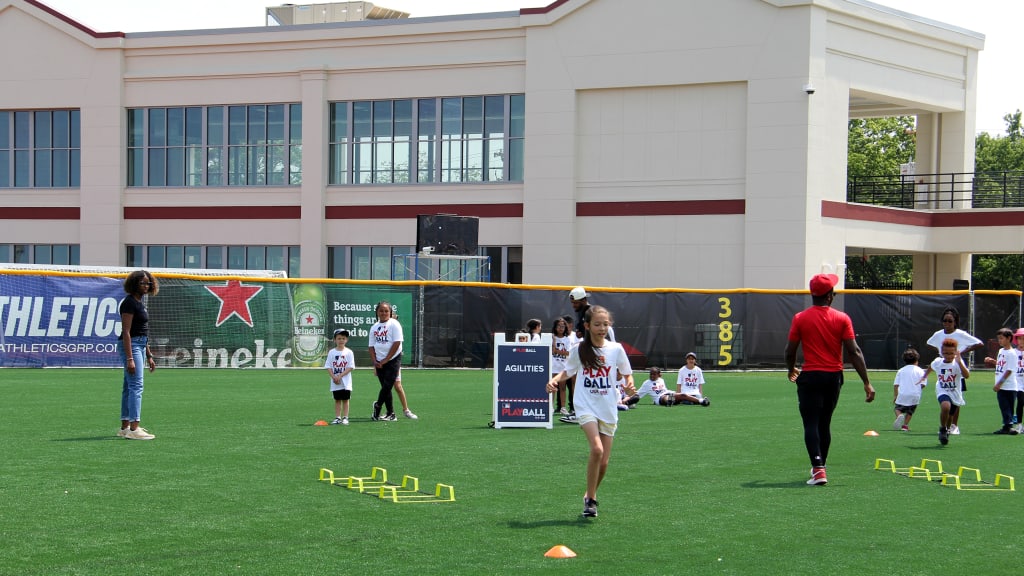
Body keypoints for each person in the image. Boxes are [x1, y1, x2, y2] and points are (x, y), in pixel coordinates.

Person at [545, 306, 635, 518]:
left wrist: (630, 384)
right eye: (597, 324)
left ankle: (589, 494)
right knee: (596, 449)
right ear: (587, 326)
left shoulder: (616, 349)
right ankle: (591, 500)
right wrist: (554, 380)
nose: (602, 328)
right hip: (585, 405)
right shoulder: (579, 349)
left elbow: (627, 374)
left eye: (605, 324)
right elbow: (568, 371)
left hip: (608, 407)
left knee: (603, 463)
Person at [784, 273, 874, 486]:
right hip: (833, 377)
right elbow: (854, 351)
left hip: (810, 376)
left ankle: (818, 469)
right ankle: (820, 468)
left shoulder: (800, 318)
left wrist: (790, 368)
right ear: (829, 296)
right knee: (824, 423)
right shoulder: (842, 318)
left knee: (811, 423)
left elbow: (790, 350)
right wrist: (866, 382)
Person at [925, 307, 984, 435]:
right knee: (946, 398)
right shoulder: (938, 334)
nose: (947, 323)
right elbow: (928, 343)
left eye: (950, 321)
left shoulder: (960, 334)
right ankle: (945, 426)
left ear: (955, 322)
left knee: (956, 399)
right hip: (944, 367)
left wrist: (962, 352)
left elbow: (979, 343)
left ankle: (954, 425)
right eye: (944, 320)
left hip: (956, 367)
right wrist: (941, 351)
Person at [116, 270, 159, 440]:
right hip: (131, 345)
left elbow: (142, 332)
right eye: (142, 283)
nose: (146, 286)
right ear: (134, 284)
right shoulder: (129, 303)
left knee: (129, 386)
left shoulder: (139, 302)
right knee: (136, 386)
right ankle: (134, 429)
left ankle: (125, 427)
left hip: (139, 344)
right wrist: (130, 358)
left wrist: (149, 355)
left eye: (148, 283)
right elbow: (126, 332)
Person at [919, 338, 970, 445]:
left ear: (956, 352)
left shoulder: (958, 363)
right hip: (942, 389)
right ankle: (942, 429)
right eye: (946, 353)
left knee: (950, 416)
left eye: (951, 353)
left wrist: (959, 362)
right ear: (941, 352)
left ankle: (946, 430)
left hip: (955, 393)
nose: (948, 356)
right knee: (945, 406)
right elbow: (931, 367)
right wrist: (924, 377)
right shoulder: (938, 362)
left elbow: (966, 375)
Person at [368, 301, 403, 422]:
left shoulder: (394, 324)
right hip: (379, 361)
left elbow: (397, 343)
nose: (384, 313)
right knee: (385, 387)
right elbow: (371, 346)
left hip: (393, 360)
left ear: (390, 312)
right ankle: (390, 413)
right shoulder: (374, 327)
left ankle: (377, 406)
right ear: (377, 312)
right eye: (381, 311)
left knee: (388, 385)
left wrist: (386, 359)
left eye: (386, 311)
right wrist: (375, 361)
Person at [984, 328, 1019, 435]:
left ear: (1009, 338)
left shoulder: (1012, 353)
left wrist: (999, 383)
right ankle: (1008, 426)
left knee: (1007, 407)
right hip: (1002, 385)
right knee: (1004, 407)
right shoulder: (1001, 351)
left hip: (1009, 386)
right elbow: (1002, 365)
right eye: (998, 338)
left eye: (1001, 338)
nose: (999, 340)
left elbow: (1009, 370)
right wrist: (993, 361)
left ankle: (1008, 427)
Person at [388, 308, 417, 419]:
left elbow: (398, 344)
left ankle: (406, 410)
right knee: (386, 388)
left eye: (393, 316)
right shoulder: (380, 328)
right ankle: (388, 412)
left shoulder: (396, 328)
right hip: (384, 362)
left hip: (394, 362)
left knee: (398, 386)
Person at [325, 328, 354, 425]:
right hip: (335, 382)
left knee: (345, 400)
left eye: (343, 338)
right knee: (337, 400)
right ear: (334, 340)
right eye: (339, 338)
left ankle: (345, 417)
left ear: (346, 340)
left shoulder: (349, 352)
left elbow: (350, 367)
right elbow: (328, 366)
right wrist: (333, 377)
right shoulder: (331, 352)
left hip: (345, 382)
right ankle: (337, 417)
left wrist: (340, 376)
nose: (341, 340)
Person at [892, 347, 925, 431]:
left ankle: (899, 415)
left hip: (903, 394)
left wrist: (895, 396)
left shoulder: (901, 371)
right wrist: (917, 389)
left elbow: (896, 385)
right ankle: (905, 426)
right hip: (915, 394)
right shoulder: (920, 371)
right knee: (910, 411)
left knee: (897, 408)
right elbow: (923, 384)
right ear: (917, 360)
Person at [550, 317, 573, 416]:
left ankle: (563, 407)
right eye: (559, 326)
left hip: (563, 366)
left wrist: (557, 351)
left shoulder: (567, 339)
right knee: (552, 387)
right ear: (555, 327)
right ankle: (551, 407)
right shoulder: (551, 337)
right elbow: (551, 351)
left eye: (563, 326)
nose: (561, 328)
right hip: (552, 365)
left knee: (562, 387)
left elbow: (568, 353)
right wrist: (554, 342)